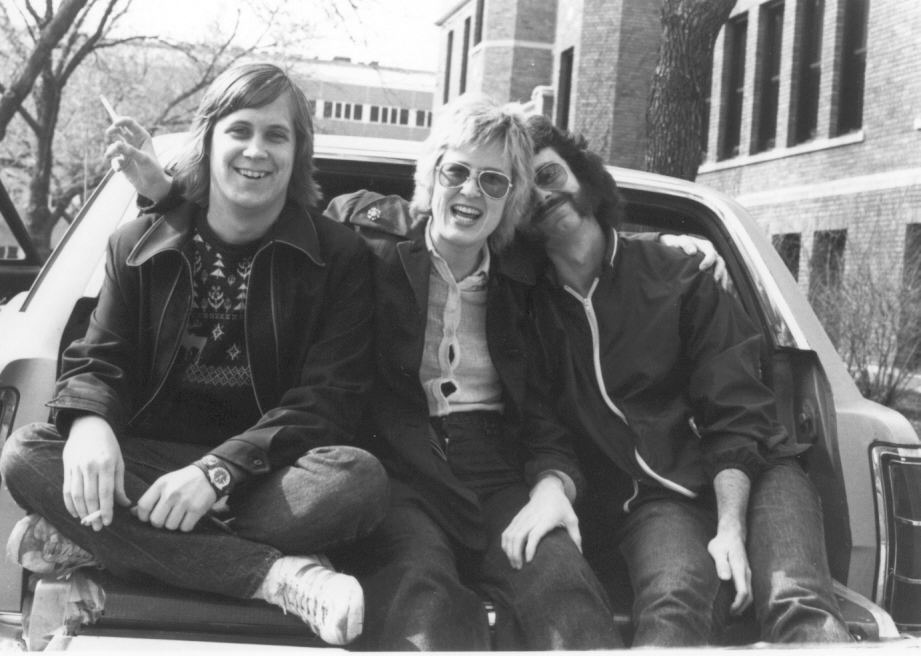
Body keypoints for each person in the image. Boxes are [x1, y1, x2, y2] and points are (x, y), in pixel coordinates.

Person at [0, 62, 389, 647]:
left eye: (276, 135)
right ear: (208, 141)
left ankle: (106, 542)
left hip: (266, 477)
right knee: (28, 454)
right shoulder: (136, 244)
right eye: (240, 130)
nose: (255, 150)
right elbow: (100, 357)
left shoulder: (338, 256)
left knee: (357, 481)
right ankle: (278, 578)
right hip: (150, 472)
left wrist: (216, 472)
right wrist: (87, 424)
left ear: (297, 153)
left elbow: (328, 400)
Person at [519, 114, 853, 647]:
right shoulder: (530, 310)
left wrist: (730, 528)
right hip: (655, 500)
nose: (541, 194)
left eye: (549, 174)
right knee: (674, 605)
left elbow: (734, 407)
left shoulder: (677, 271)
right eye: (523, 186)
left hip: (759, 469)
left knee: (797, 601)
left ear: (582, 175)